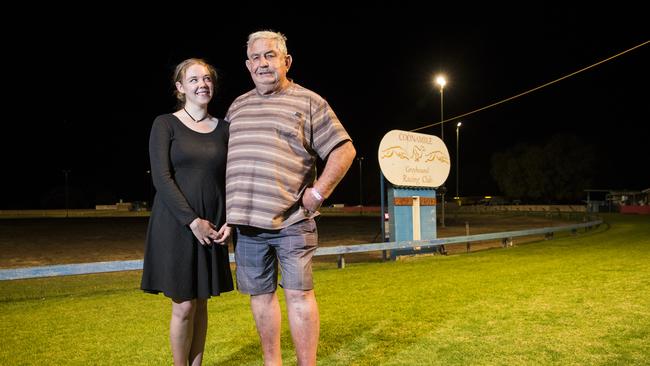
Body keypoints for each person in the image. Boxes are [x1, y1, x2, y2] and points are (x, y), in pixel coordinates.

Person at [226, 30, 356, 365]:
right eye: (255, 57)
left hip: (292, 222)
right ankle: (273, 362)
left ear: (286, 61)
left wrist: (318, 192)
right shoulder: (237, 106)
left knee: (299, 295)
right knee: (260, 296)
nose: (262, 63)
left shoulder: (308, 101)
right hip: (248, 227)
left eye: (270, 55)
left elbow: (344, 149)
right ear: (247, 65)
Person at [140, 58, 233, 366]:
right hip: (177, 226)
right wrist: (192, 221)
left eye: (207, 79)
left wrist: (229, 220)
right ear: (180, 88)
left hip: (213, 226)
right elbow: (161, 178)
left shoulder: (225, 129)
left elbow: (231, 179)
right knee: (184, 307)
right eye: (193, 80)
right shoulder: (165, 124)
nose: (202, 84)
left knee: (202, 304)